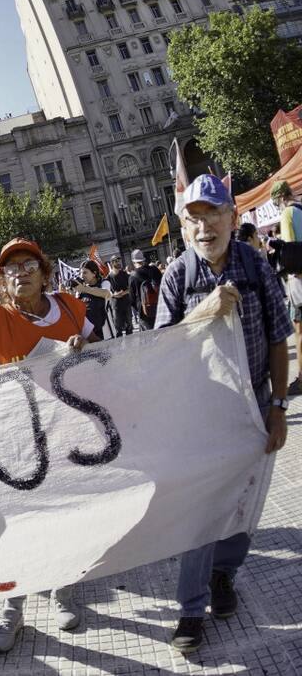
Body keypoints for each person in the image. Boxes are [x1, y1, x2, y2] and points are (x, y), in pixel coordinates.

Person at [0, 221, 96, 653]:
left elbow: (104, 355)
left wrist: (84, 350)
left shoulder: (70, 308)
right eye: (11, 267)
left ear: (44, 272)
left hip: (69, 435)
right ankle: (14, 610)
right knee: (18, 526)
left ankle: (62, 592)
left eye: (29, 264)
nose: (21, 272)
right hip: (18, 441)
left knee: (67, 517)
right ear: (1, 279)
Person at [155, 174, 290, 653]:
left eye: (213, 213)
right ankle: (191, 609)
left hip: (253, 405)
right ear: (185, 227)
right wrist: (204, 311)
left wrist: (277, 407)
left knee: (242, 503)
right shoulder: (177, 276)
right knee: (200, 512)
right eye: (194, 217)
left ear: (232, 217)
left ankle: (223, 575)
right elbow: (161, 351)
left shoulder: (255, 263)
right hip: (199, 412)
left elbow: (279, 336)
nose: (204, 225)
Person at [270, 180, 302, 395]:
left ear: (280, 198)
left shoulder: (288, 214)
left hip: (299, 280)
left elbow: (291, 254)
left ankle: (301, 379)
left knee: (299, 330)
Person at [73, 260, 112, 339]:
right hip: (89, 335)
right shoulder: (81, 290)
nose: (82, 275)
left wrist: (84, 289)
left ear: (94, 273)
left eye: (85, 273)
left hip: (105, 333)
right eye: (81, 273)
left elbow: (106, 293)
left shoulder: (104, 283)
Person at [128, 249, 162, 332]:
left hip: (144, 314)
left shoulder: (132, 277)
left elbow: (132, 300)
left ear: (133, 262)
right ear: (143, 259)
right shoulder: (155, 270)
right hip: (160, 309)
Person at [107, 254, 133, 337]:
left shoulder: (125, 274)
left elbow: (131, 288)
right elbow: (106, 292)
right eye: (115, 261)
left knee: (129, 327)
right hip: (116, 306)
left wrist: (123, 293)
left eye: (118, 261)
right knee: (118, 330)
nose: (118, 262)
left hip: (126, 304)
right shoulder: (108, 278)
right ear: (112, 263)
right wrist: (114, 294)